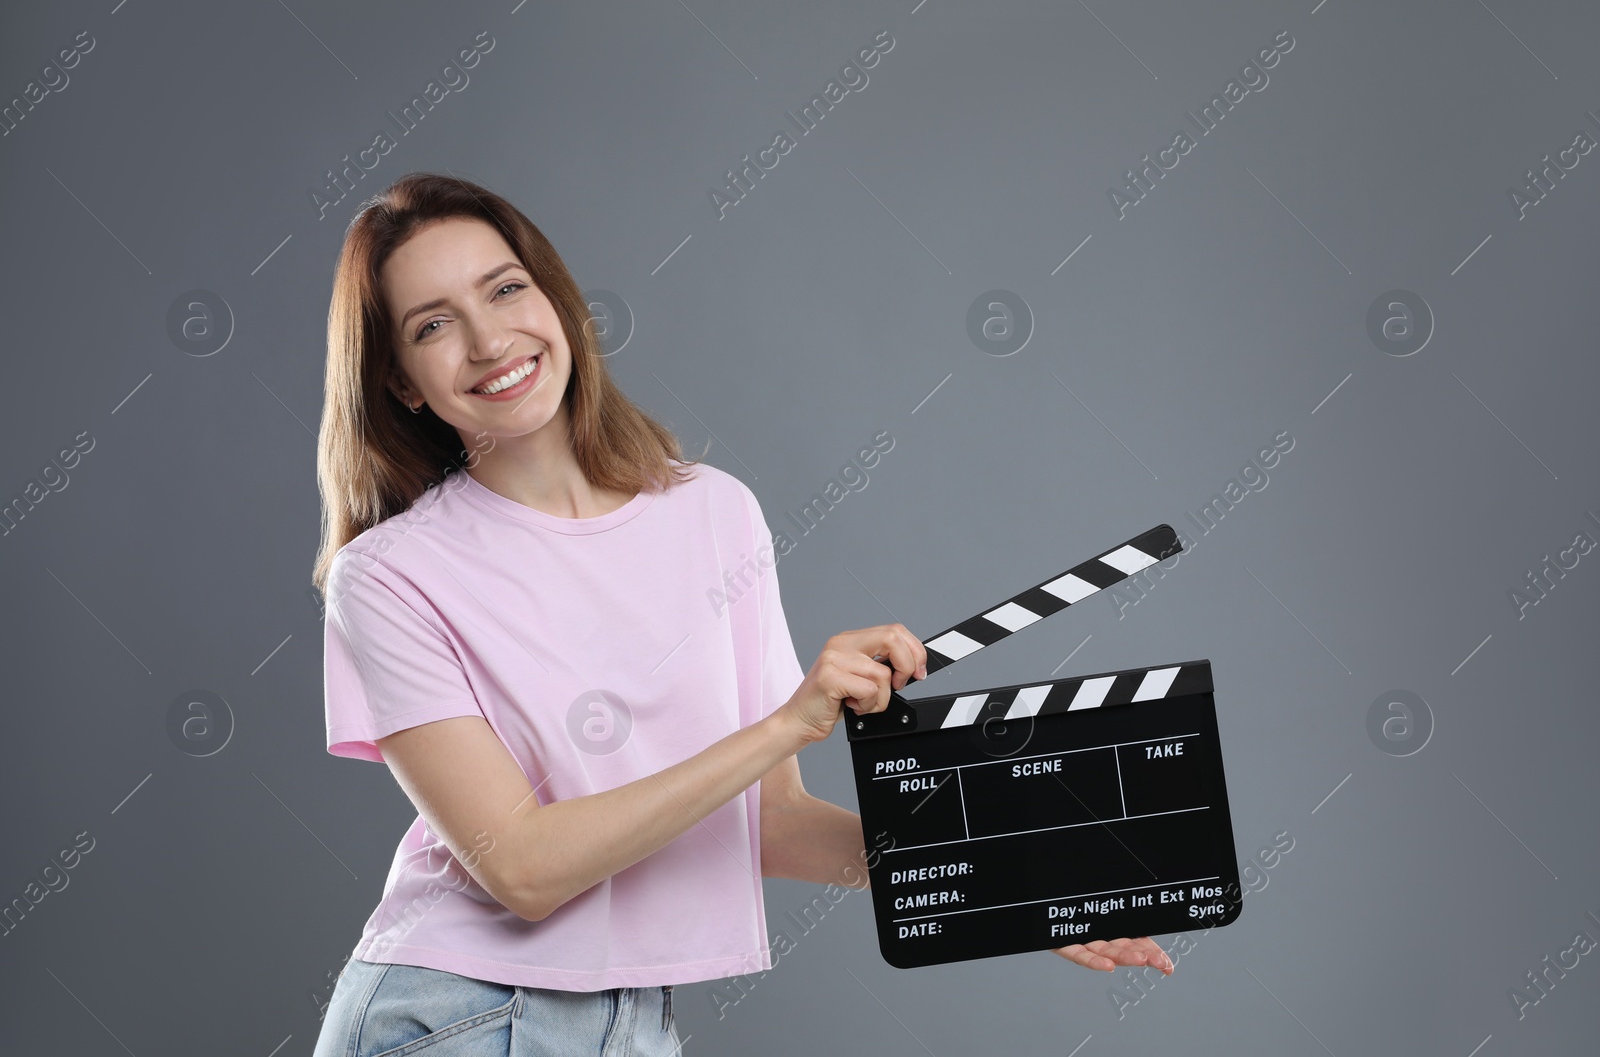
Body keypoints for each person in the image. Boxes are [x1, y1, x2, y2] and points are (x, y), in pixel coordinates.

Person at [309, 172, 1170, 1056]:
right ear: (404, 383)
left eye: (504, 288)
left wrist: (1006, 883)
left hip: (631, 1020)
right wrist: (787, 723)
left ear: (555, 301)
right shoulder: (388, 576)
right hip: (457, 1011)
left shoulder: (713, 513)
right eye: (433, 325)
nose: (490, 339)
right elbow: (525, 868)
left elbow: (768, 824)